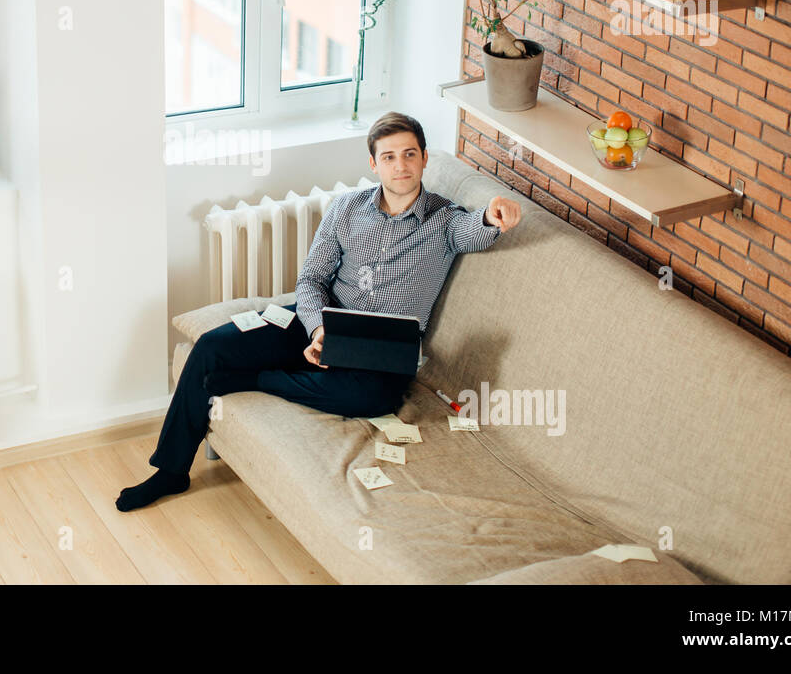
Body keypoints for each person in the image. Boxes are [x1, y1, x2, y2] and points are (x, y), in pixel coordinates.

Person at [116, 111, 522, 511]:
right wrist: (316, 331)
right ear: (374, 163)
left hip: (383, 347)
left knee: (371, 398)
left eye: (410, 154)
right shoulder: (346, 209)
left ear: (424, 158)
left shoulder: (445, 220)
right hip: (323, 319)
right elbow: (311, 279)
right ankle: (170, 471)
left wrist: (493, 212)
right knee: (210, 346)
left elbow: (478, 229)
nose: (401, 165)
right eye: (390, 156)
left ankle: (255, 379)